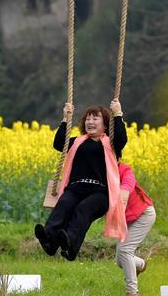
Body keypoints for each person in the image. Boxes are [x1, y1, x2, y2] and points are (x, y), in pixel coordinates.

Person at [34, 99, 128, 260]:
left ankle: (70, 245)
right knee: (64, 204)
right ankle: (50, 241)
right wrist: (65, 119)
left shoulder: (111, 144)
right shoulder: (77, 142)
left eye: (95, 119)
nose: (90, 122)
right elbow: (58, 144)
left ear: (105, 124)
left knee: (83, 209)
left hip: (100, 192)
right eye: (88, 119)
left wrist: (118, 113)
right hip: (76, 188)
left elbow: (121, 139)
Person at [116, 162, 156, 296]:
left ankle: (132, 292)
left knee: (124, 251)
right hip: (127, 219)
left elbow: (127, 184)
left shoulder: (125, 170)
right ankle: (140, 264)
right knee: (120, 260)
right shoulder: (101, 173)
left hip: (144, 215)